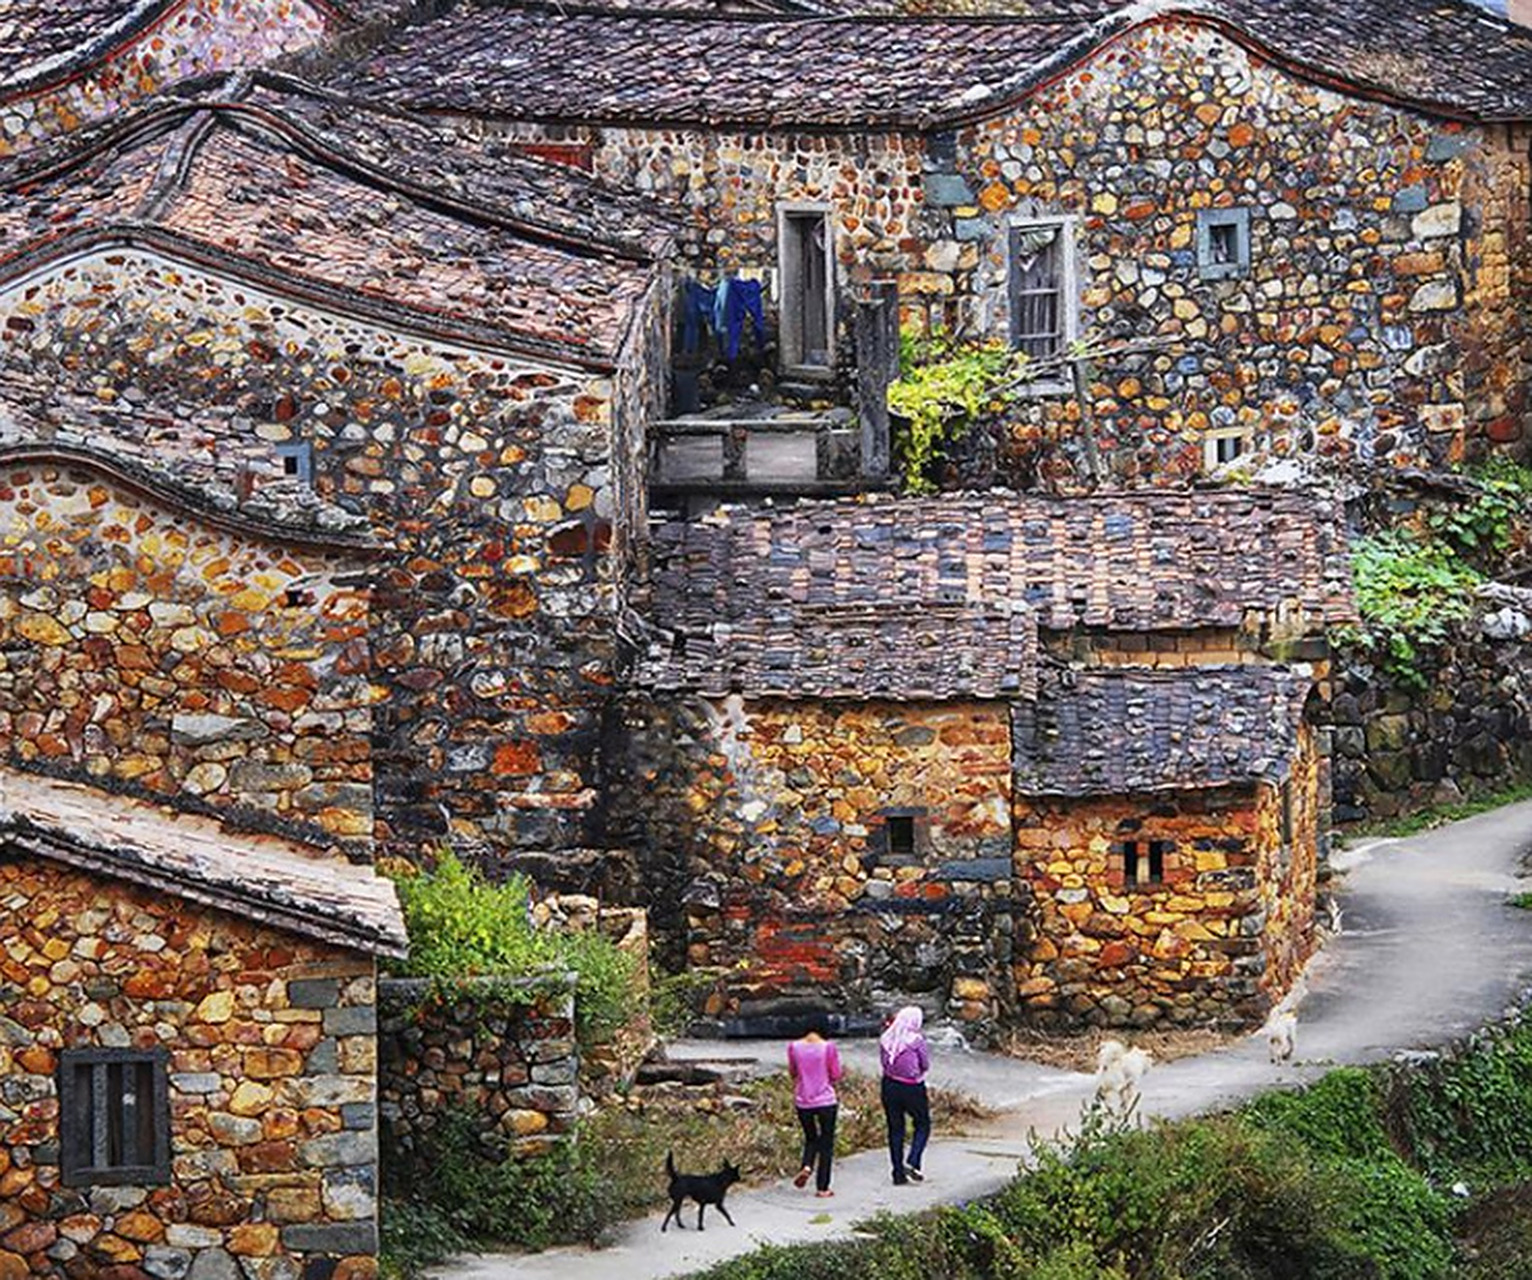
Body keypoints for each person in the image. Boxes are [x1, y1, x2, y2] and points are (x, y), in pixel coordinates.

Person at [787, 1013, 842, 1197]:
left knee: (810, 1138)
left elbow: (793, 1072)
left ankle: (807, 1166)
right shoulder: (828, 1047)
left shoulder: (793, 1047)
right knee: (826, 1143)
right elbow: (835, 1074)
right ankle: (823, 1187)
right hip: (826, 1100)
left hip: (803, 1101)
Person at [880, 1005, 932, 1186]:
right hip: (912, 1088)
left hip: (889, 1086)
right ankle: (913, 1160)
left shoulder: (886, 1038)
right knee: (923, 1124)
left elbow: (884, 1064)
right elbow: (925, 1064)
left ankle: (897, 1173)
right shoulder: (916, 1040)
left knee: (895, 1129)